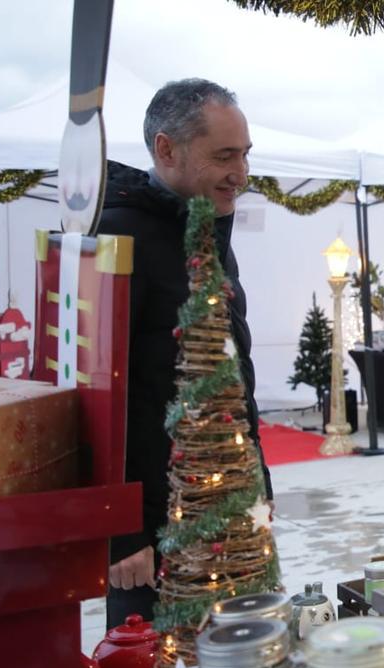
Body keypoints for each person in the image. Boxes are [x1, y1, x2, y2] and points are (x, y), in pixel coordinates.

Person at [95, 78, 272, 628]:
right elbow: (95, 398)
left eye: (244, 155)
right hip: (154, 538)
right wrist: (120, 533)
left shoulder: (206, 225)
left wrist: (258, 488)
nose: (240, 173)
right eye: (223, 156)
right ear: (166, 149)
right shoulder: (116, 237)